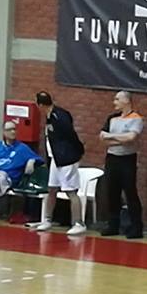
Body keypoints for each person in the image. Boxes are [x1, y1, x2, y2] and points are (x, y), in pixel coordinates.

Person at [28, 91, 87, 236]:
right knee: (52, 189)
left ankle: (78, 223)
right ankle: (47, 220)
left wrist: (78, 151)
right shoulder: (48, 116)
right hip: (55, 159)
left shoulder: (59, 116)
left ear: (41, 105)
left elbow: (71, 135)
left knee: (71, 191)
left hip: (67, 159)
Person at [98, 90, 145, 239]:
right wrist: (119, 139)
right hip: (112, 158)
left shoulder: (136, 118)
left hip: (127, 159)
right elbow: (102, 138)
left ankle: (136, 227)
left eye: (117, 99)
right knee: (112, 192)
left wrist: (111, 137)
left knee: (130, 192)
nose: (114, 102)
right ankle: (113, 225)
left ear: (127, 101)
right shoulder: (112, 118)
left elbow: (131, 138)